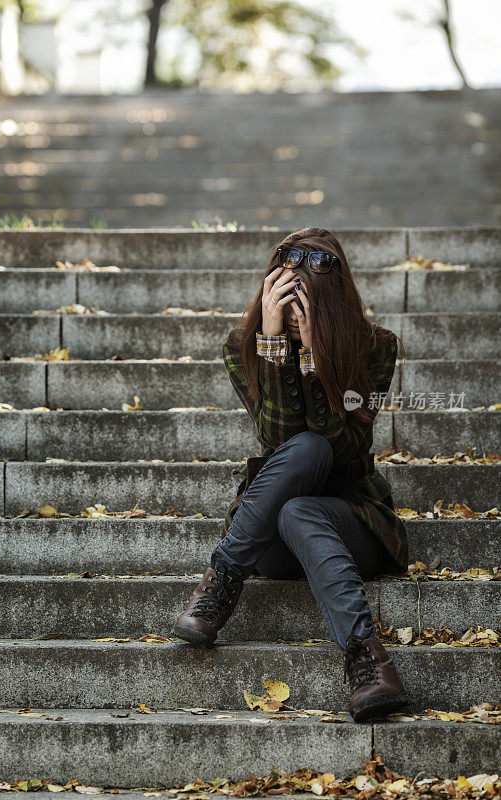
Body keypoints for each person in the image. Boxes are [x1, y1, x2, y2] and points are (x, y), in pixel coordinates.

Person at [174, 226, 410, 723]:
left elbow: (347, 451)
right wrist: (274, 346)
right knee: (300, 455)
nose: (299, 304)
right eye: (287, 292)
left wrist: (312, 357)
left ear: (334, 298)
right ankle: (226, 578)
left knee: (305, 498)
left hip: (353, 521)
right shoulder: (243, 349)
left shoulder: (375, 348)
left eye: (310, 297)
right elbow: (280, 444)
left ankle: (367, 661)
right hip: (271, 537)